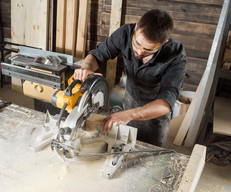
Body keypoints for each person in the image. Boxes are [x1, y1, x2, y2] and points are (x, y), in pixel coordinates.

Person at [74, 9, 186, 147]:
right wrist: (86, 67)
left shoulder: (176, 55)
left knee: (149, 153)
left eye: (148, 50)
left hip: (154, 115)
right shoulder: (125, 32)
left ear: (164, 42)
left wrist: (130, 115)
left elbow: (165, 103)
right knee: (124, 146)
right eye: (137, 44)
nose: (139, 52)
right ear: (137, 26)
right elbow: (98, 54)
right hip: (129, 102)